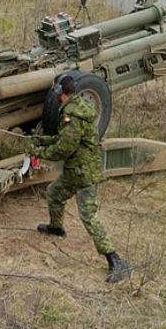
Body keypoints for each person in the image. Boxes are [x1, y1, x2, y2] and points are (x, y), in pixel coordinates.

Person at [27, 74, 128, 283]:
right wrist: (42, 140)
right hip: (76, 169)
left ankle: (114, 259)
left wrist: (38, 152)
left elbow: (63, 149)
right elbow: (64, 139)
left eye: (54, 89)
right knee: (54, 192)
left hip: (84, 173)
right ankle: (56, 228)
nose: (52, 93)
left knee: (88, 215)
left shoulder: (71, 117)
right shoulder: (76, 108)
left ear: (59, 92)